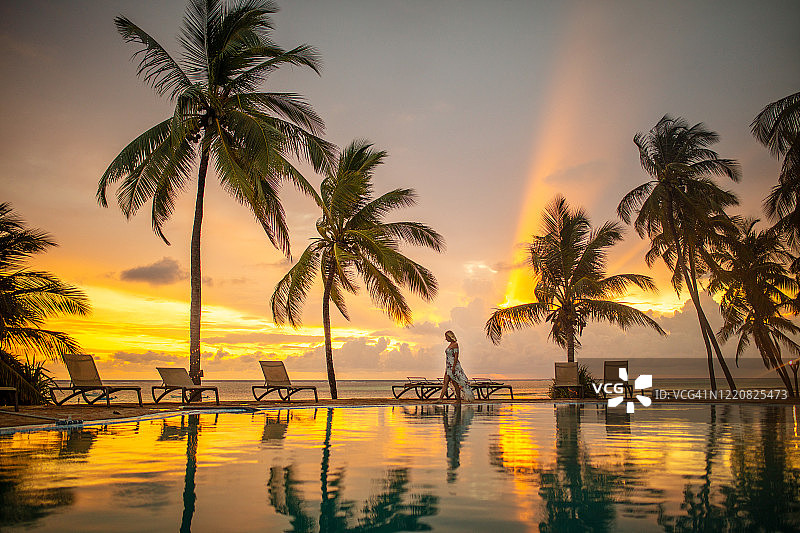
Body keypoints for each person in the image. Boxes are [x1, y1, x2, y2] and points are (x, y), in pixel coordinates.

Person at [438, 330, 475, 403]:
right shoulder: (450, 345)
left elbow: (456, 357)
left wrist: (454, 367)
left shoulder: (455, 344)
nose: (446, 339)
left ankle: (458, 400)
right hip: (448, 366)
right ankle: (440, 399)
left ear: (450, 336)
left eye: (446, 337)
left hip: (453, 366)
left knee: (455, 383)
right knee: (445, 383)